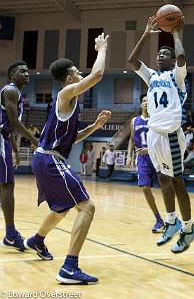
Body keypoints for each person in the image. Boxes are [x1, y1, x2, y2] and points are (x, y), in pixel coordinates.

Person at [24, 33, 111, 284]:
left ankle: (37, 239)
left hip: (48, 159)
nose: (82, 76)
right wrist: (101, 49)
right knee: (87, 206)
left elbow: (72, 138)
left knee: (62, 208)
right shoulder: (65, 94)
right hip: (51, 161)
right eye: (77, 73)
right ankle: (69, 268)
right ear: (70, 78)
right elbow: (97, 76)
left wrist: (95, 126)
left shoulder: (70, 104)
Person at [128, 15, 194, 254]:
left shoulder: (177, 77)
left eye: (165, 54)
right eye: (158, 53)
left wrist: (176, 32)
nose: (160, 55)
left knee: (177, 182)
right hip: (154, 134)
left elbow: (182, 57)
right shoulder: (151, 77)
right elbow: (131, 60)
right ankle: (171, 222)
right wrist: (146, 34)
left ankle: (190, 228)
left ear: (172, 61)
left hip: (170, 134)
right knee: (162, 178)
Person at [0, 61, 38, 251]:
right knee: (7, 185)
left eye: (28, 71)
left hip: (4, 138)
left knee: (5, 185)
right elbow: (13, 123)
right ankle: (11, 234)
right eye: (22, 71)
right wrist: (34, 139)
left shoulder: (17, 94)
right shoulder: (11, 91)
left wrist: (15, 150)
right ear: (12, 75)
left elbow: (8, 127)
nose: (27, 74)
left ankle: (10, 233)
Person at [127, 93, 164, 233]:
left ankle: (172, 219)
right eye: (144, 101)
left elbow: (161, 140)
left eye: (149, 101)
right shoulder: (134, 121)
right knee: (145, 188)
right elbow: (131, 139)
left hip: (157, 157)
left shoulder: (157, 120)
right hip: (142, 160)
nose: (146, 103)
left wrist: (150, 149)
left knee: (167, 188)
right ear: (141, 104)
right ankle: (159, 219)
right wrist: (129, 156)